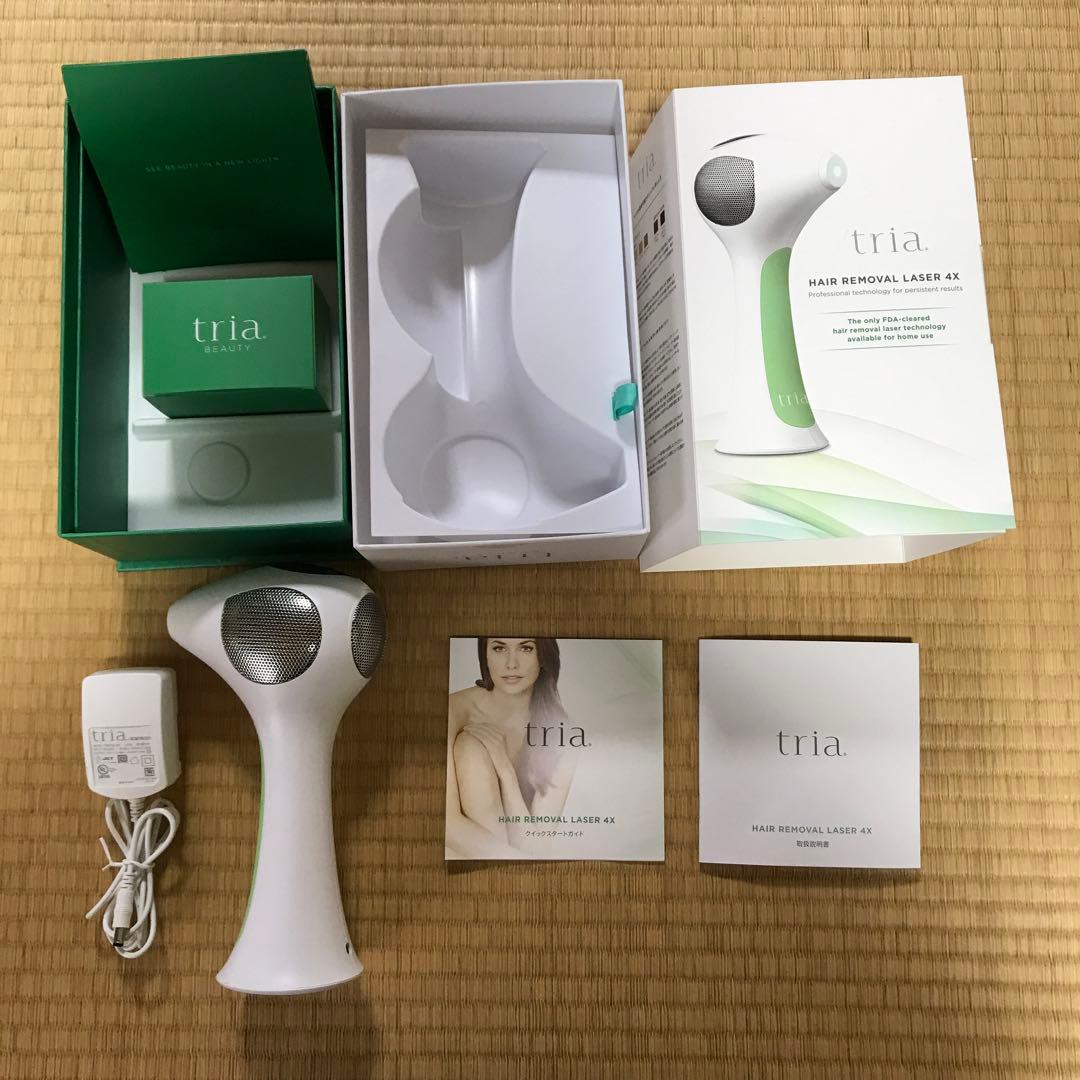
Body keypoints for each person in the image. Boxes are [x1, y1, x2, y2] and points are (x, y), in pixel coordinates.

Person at [446, 637, 577, 857]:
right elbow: (448, 825)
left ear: (543, 656)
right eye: (499, 648)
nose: (511, 664)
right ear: (485, 654)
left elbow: (538, 847)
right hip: (461, 857)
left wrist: (506, 773)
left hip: (510, 858)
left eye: (526, 648)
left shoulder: (562, 734)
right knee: (470, 747)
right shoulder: (453, 710)